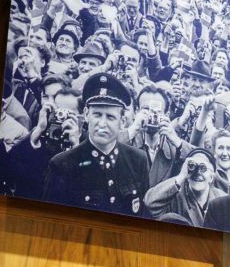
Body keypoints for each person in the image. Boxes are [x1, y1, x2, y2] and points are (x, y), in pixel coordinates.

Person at [42, 72, 149, 215]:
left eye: (110, 117)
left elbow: (141, 215)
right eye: (97, 114)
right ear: (86, 114)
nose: (102, 124)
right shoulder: (62, 165)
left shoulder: (138, 160)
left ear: (122, 122)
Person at [143, 147, 218, 228]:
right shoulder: (175, 198)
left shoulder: (221, 200)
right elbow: (149, 203)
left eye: (203, 168)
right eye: (192, 166)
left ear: (211, 177)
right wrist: (181, 176)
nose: (197, 173)